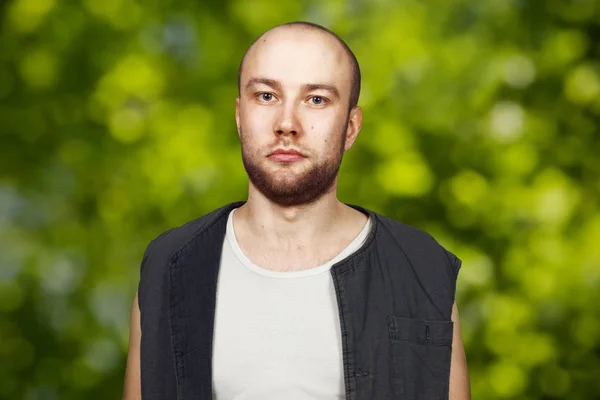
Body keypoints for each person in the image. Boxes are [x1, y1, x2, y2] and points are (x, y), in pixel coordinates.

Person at [123, 21, 470, 400]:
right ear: (240, 116)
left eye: (316, 99)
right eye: (267, 96)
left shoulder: (421, 268)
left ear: (351, 127)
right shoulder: (170, 264)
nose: (287, 124)